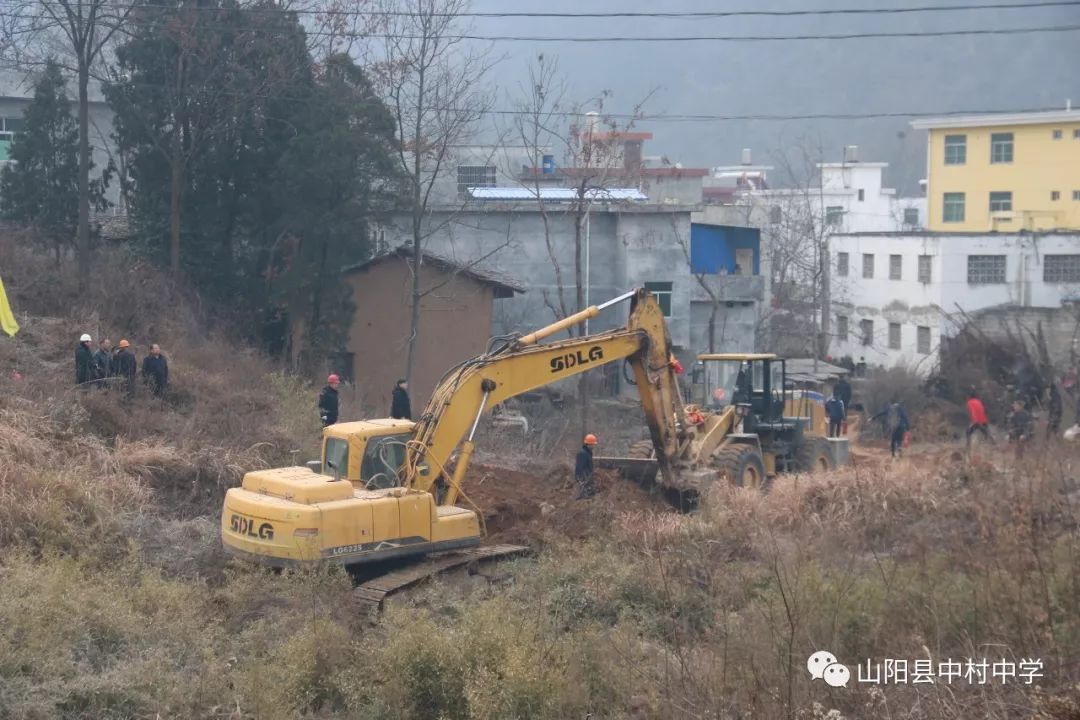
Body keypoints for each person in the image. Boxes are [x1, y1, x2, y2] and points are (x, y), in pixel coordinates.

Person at [574, 433, 598, 500]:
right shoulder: (582, 453)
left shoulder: (587, 453)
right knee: (584, 498)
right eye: (593, 444)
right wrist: (581, 480)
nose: (594, 446)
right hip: (584, 480)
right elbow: (579, 467)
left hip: (588, 479)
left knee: (590, 496)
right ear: (589, 444)